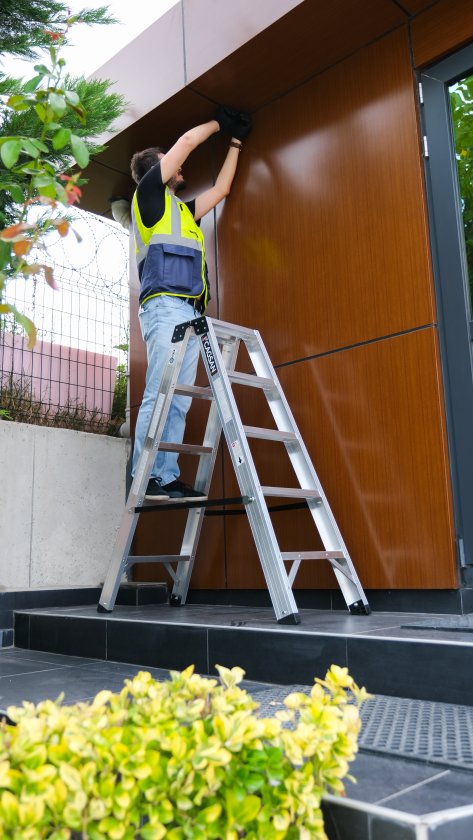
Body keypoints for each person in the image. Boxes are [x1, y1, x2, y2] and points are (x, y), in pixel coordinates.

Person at [129, 106, 252, 501]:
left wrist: (236, 142)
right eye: (171, 163)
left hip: (191, 313)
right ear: (157, 170)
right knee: (159, 391)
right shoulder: (148, 198)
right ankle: (142, 475)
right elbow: (186, 143)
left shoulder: (181, 211)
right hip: (164, 307)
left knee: (179, 397)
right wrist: (219, 122)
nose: (179, 166)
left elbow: (220, 192)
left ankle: (164, 476)